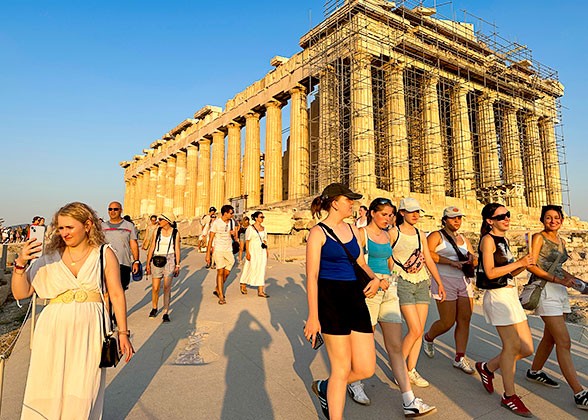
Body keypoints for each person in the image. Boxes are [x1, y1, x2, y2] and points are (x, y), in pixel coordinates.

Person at [11, 202, 134, 419]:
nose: (64, 233)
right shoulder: (47, 256)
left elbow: (116, 294)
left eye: (69, 227)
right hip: (53, 326)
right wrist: (20, 264)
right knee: (47, 385)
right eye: (60, 228)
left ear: (87, 225)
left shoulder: (104, 253)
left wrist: (123, 333)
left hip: (90, 328)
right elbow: (22, 293)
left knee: (84, 390)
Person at [349, 198, 435, 417]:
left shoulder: (388, 234)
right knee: (365, 342)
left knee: (395, 347)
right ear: (371, 213)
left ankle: (409, 400)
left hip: (390, 291)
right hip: (370, 292)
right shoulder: (361, 234)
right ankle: (355, 381)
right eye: (383, 214)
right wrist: (375, 278)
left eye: (390, 215)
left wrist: (393, 275)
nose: (388, 218)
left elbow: (390, 260)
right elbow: (358, 262)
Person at [304, 183, 380, 420]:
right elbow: (312, 277)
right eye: (348, 200)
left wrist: (375, 279)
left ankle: (326, 388)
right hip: (330, 301)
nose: (353, 204)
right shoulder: (317, 233)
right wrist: (313, 317)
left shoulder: (354, 230)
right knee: (341, 368)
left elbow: (360, 262)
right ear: (334, 202)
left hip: (355, 299)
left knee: (367, 367)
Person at [474, 203, 535, 417]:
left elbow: (509, 272)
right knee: (511, 346)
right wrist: (518, 262)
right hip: (498, 297)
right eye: (501, 216)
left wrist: (524, 265)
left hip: (510, 295)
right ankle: (509, 396)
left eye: (507, 214)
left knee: (526, 348)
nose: (506, 218)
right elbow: (490, 273)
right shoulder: (488, 240)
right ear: (490, 221)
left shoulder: (504, 240)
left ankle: (487, 368)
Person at [526, 205, 587, 410]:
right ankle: (579, 393)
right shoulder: (538, 238)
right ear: (543, 219)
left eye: (557, 217)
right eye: (549, 217)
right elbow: (531, 265)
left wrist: (577, 282)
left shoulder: (560, 241)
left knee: (550, 338)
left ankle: (534, 372)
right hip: (545, 292)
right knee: (564, 342)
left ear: (562, 220)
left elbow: (559, 268)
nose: (553, 221)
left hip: (559, 292)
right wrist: (557, 280)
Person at [390, 197, 445, 388]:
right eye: (411, 211)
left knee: (419, 331)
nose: (415, 215)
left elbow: (428, 260)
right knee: (414, 329)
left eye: (417, 212)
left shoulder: (421, 234)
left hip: (422, 282)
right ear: (402, 213)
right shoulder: (393, 233)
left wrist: (439, 282)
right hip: (404, 282)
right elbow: (386, 258)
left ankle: (410, 370)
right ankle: (398, 369)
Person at [423, 207, 478, 374]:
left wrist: (472, 260)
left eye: (459, 218)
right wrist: (450, 262)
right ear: (445, 219)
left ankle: (460, 357)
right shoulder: (436, 235)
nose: (457, 221)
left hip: (463, 280)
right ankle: (428, 337)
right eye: (453, 218)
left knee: (464, 319)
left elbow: (473, 258)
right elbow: (428, 254)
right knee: (447, 322)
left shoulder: (464, 239)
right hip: (444, 279)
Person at [145, 213, 180, 323]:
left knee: (166, 287)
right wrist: (147, 263)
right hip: (156, 258)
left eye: (161, 219)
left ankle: (165, 312)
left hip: (170, 259)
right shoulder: (157, 231)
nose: (158, 221)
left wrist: (177, 265)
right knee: (155, 288)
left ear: (167, 221)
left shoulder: (175, 232)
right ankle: (154, 307)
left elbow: (177, 249)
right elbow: (152, 246)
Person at [101, 201, 139, 290]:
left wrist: (136, 261)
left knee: (120, 291)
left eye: (115, 209)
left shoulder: (129, 226)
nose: (112, 211)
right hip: (106, 263)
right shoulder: (102, 226)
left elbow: (133, 244)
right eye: (110, 209)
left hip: (123, 263)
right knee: (106, 292)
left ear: (121, 211)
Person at [206, 205, 237, 304]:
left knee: (226, 272)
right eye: (231, 213)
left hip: (229, 249)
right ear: (225, 213)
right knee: (220, 271)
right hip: (218, 249)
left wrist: (233, 233)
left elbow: (234, 237)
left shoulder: (232, 222)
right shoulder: (216, 223)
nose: (233, 214)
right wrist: (208, 254)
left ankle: (217, 287)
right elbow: (210, 239)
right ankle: (221, 295)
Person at [239, 212, 269, 297]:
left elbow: (265, 240)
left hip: (261, 250)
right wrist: (248, 252)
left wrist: (267, 250)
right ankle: (243, 283)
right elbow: (247, 240)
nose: (262, 218)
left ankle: (260, 290)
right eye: (261, 217)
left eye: (263, 217)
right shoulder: (250, 228)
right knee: (250, 266)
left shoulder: (264, 228)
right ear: (256, 218)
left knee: (261, 269)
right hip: (253, 250)